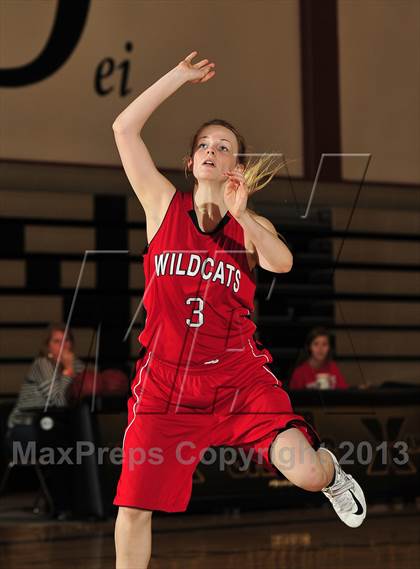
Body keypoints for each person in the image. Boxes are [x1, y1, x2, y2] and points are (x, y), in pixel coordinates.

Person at [111, 51, 367, 568]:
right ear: (190, 163)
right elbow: (123, 128)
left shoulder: (250, 228)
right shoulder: (162, 205)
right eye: (203, 144)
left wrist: (244, 215)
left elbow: (283, 264)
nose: (211, 150)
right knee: (133, 507)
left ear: (236, 167)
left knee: (309, 475)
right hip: (166, 384)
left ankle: (334, 476)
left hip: (237, 378)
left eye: (222, 146)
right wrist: (178, 78)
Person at [5, 322, 85, 518]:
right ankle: (62, 506)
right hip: (23, 430)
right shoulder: (42, 364)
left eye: (67, 340)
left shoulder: (76, 365)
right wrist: (67, 372)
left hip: (53, 426)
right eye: (57, 341)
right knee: (59, 442)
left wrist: (71, 368)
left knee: (79, 441)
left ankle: (80, 503)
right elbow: (57, 399)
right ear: (47, 345)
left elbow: (86, 389)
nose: (63, 346)